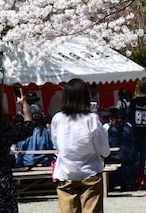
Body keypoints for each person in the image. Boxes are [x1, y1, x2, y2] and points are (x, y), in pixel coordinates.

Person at [51, 78, 111, 213]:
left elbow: (56, 144)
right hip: (90, 171)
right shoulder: (91, 119)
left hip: (66, 172)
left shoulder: (58, 119)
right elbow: (104, 149)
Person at [129, 80, 146, 173]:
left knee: (135, 149)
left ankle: (136, 167)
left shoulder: (134, 102)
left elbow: (129, 115)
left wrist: (133, 123)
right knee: (143, 150)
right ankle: (142, 169)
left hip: (135, 128)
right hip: (145, 128)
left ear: (139, 90)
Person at [107, 108, 136, 191]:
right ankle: (128, 183)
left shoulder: (111, 130)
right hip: (128, 158)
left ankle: (113, 184)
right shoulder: (129, 129)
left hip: (114, 157)